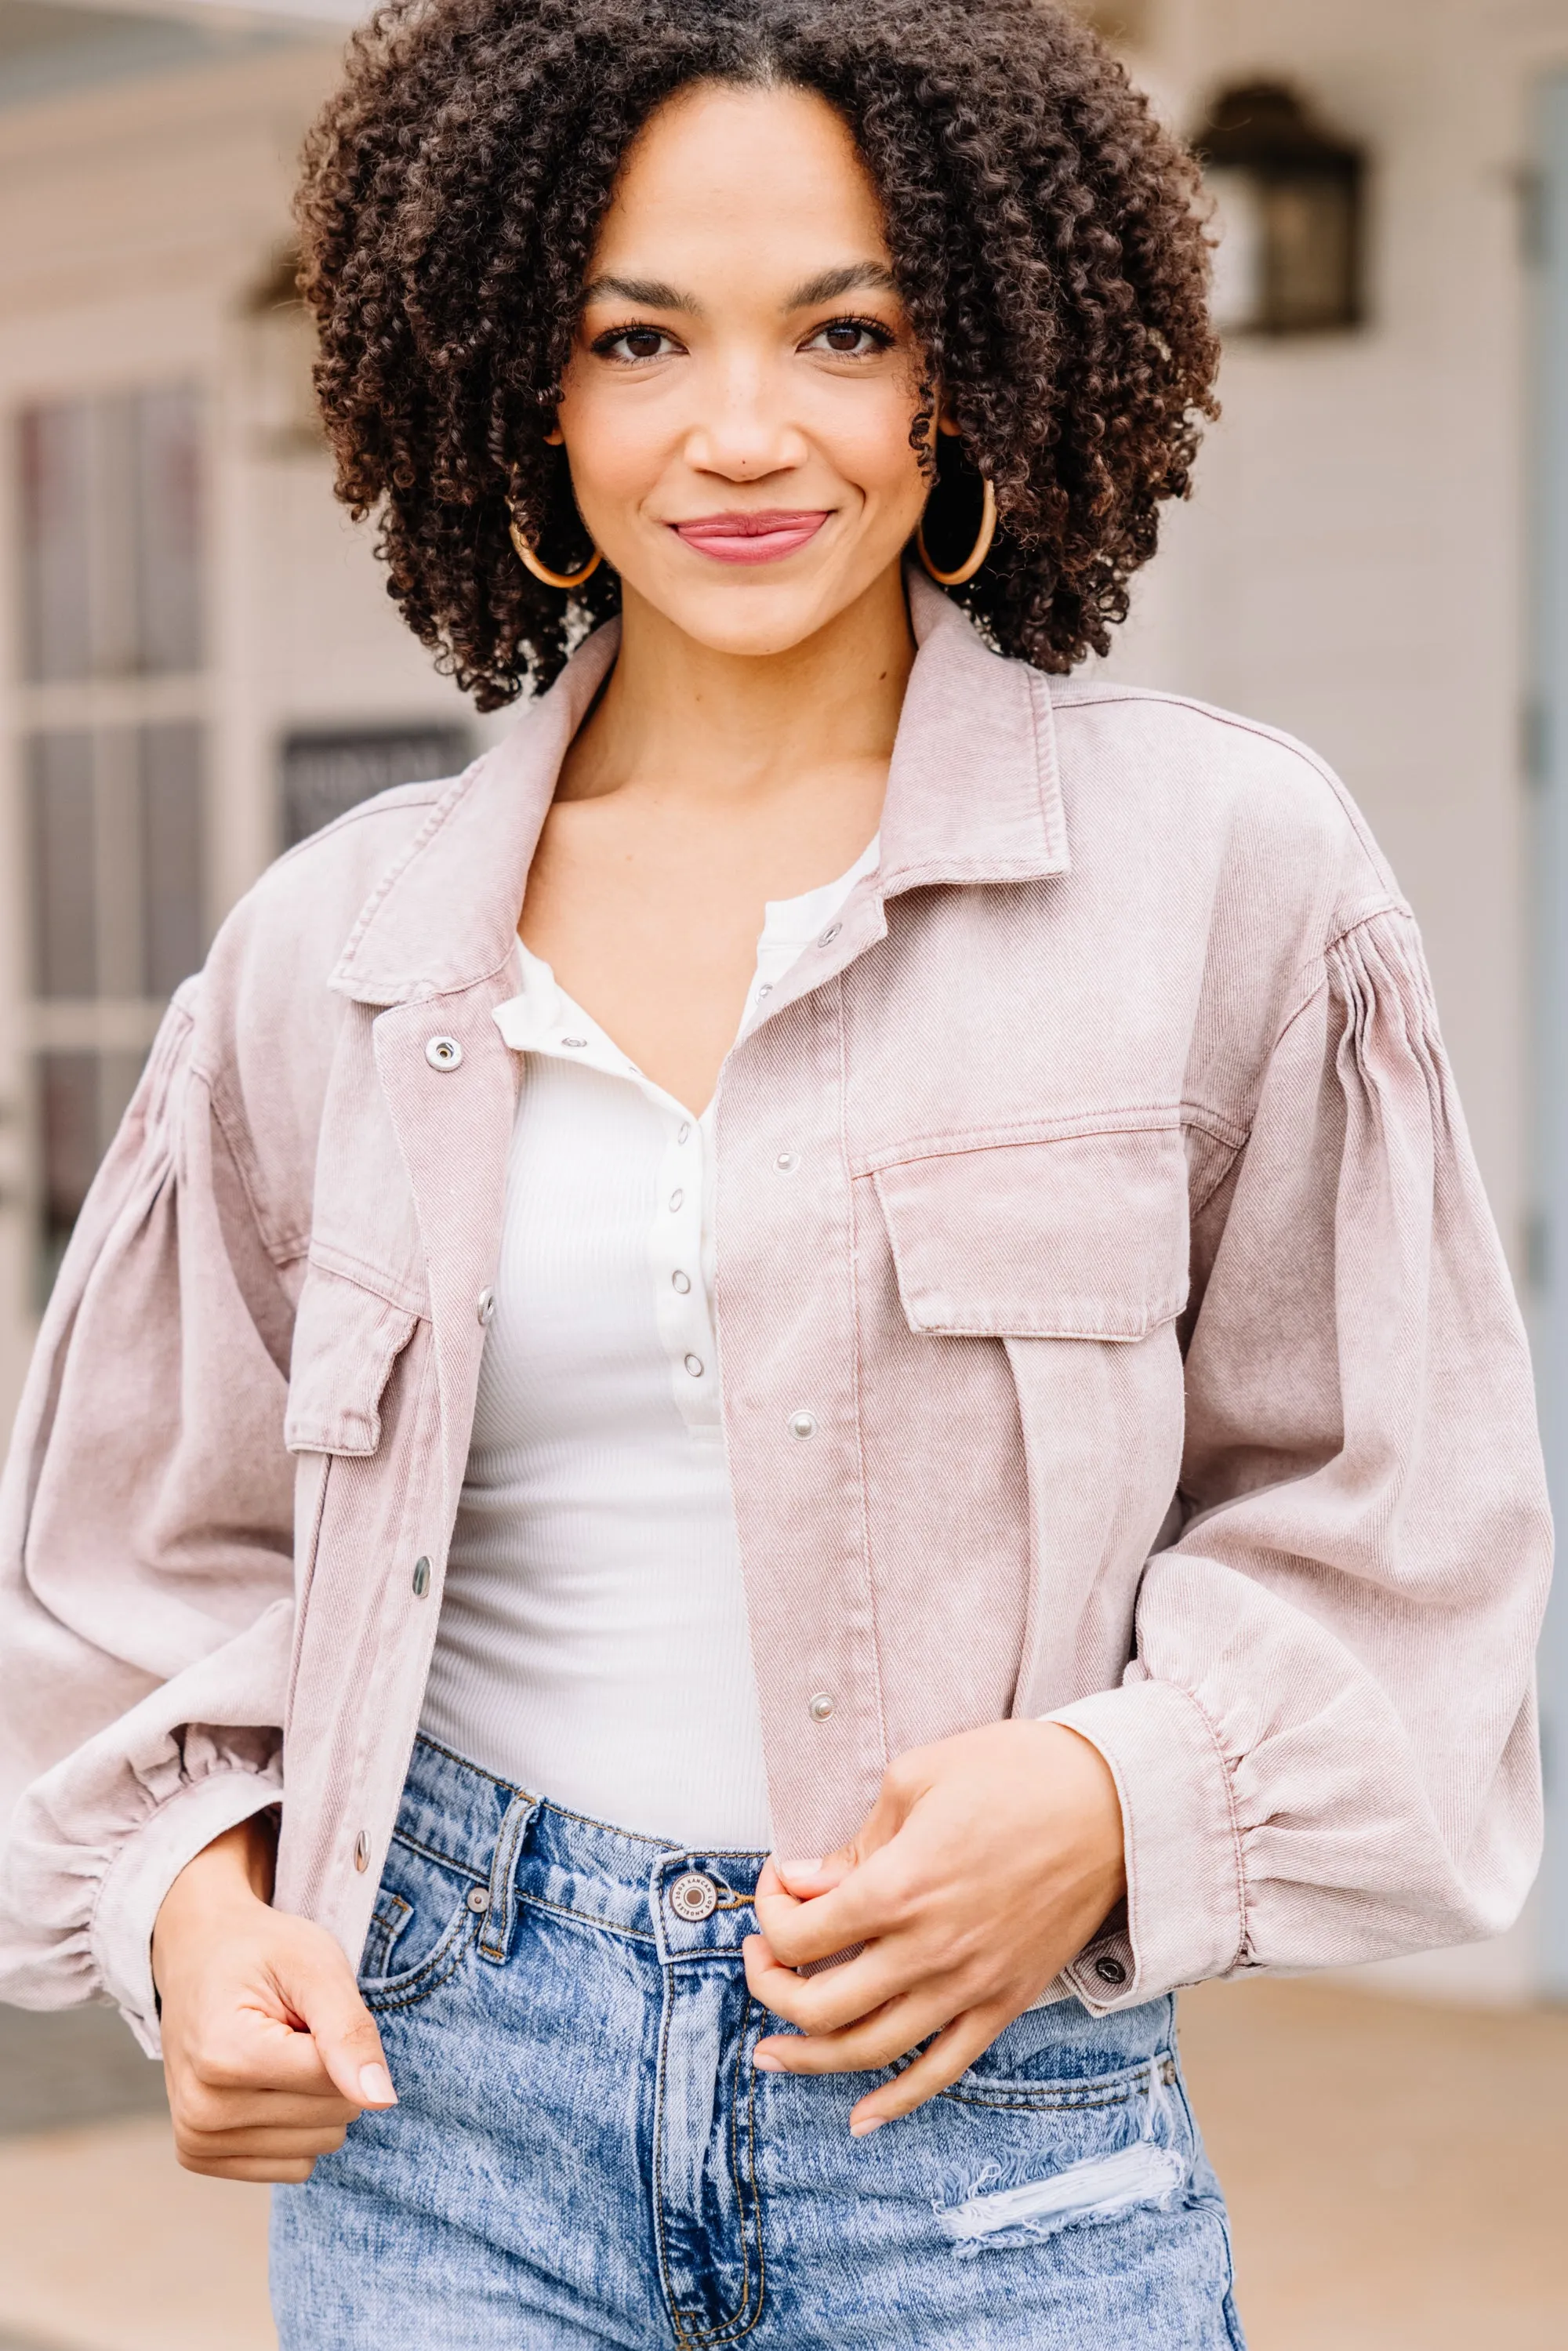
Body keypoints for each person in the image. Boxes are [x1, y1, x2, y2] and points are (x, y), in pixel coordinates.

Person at [0, 1, 1550, 2343]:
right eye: (642, 336)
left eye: (848, 330)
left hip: (996, 2135)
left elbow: (1407, 1525)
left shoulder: (1225, 872)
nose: (745, 432)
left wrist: (1123, 1788)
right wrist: (192, 1917)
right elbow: (138, 1562)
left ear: (977, 373)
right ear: (527, 382)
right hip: (445, 2122)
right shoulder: (338, 949)